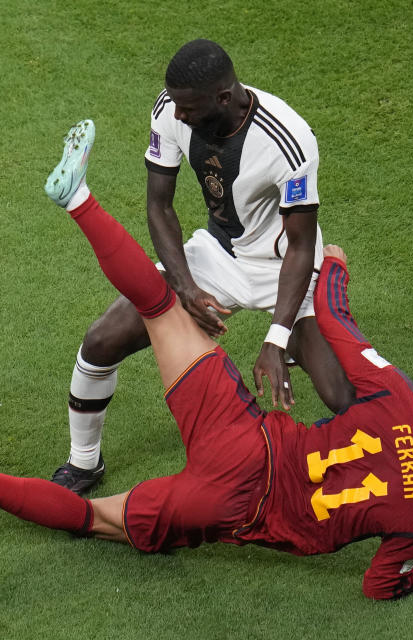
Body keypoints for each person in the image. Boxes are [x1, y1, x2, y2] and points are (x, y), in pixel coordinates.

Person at [0, 121, 413, 599]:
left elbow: (334, 320)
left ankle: (79, 199)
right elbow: (379, 586)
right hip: (231, 504)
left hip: (246, 436)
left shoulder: (400, 402)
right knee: (90, 519)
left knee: (162, 304)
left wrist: (336, 270)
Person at [50, 39, 355, 494]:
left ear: (224, 98)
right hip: (220, 252)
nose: (176, 116)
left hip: (284, 268)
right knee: (102, 340)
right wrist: (186, 287)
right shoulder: (171, 108)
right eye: (174, 104)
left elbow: (299, 246)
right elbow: (160, 207)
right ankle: (83, 462)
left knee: (343, 395)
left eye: (188, 108)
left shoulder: (288, 142)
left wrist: (276, 338)